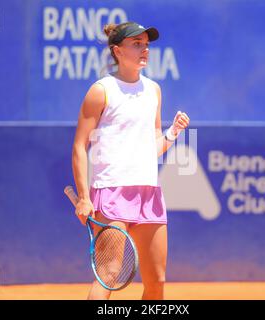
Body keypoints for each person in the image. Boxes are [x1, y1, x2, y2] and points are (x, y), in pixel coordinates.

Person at [71, 21, 190, 300]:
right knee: (109, 274)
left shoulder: (154, 91)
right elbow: (79, 146)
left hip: (148, 194)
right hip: (112, 191)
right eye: (136, 44)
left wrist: (173, 133)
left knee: (157, 281)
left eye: (146, 45)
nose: (144, 50)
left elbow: (154, 147)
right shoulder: (101, 91)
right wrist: (84, 197)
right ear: (117, 51)